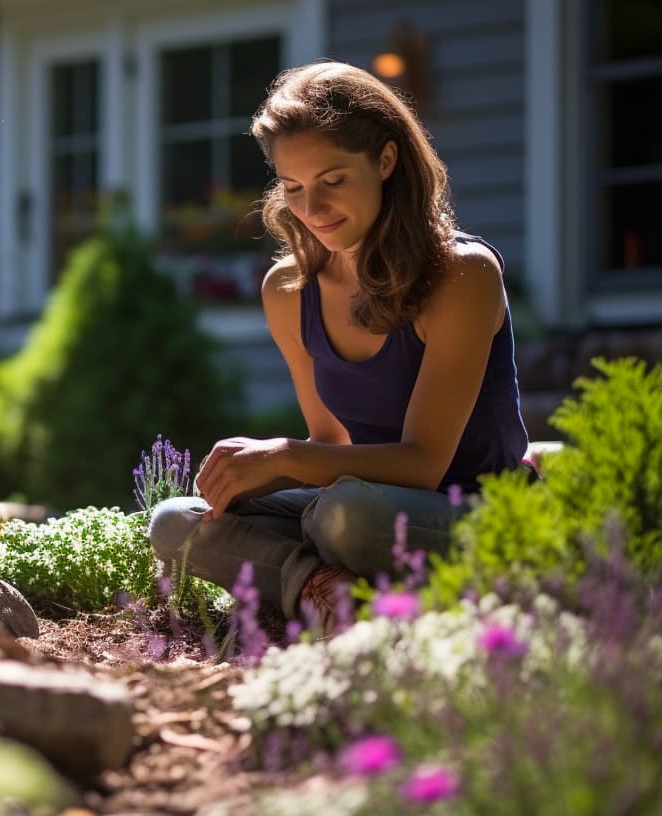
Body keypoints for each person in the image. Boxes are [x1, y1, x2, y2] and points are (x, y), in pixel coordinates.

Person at [147, 60, 530, 628]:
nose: (312, 209)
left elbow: (424, 466)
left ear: (386, 160)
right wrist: (254, 470)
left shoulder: (461, 275)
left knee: (345, 518)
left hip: (476, 508)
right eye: (294, 187)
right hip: (357, 504)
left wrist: (286, 455)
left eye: (332, 180)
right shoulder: (288, 289)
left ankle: (326, 582)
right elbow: (331, 443)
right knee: (176, 521)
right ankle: (321, 588)